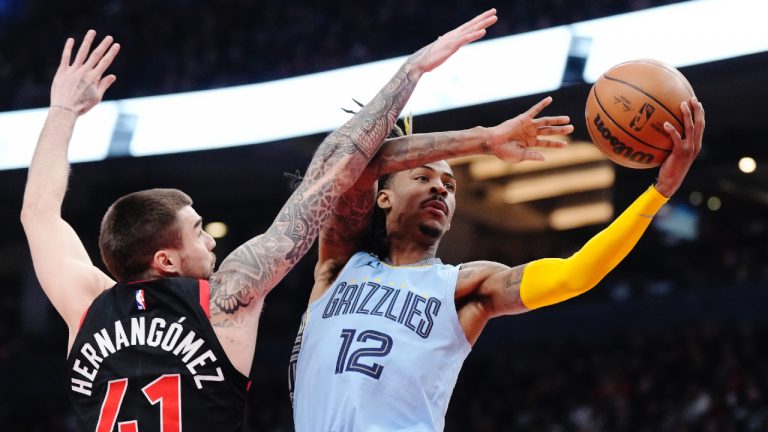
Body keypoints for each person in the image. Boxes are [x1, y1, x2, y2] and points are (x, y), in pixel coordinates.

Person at [20, 10, 498, 431]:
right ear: (165, 259)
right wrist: (413, 69)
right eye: (199, 231)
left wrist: (62, 110)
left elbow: (38, 213)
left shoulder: (85, 306)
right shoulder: (226, 299)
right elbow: (333, 166)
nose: (211, 243)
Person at [289, 93, 705, 430]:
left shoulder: (465, 286)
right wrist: (482, 139)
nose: (440, 189)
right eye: (423, 178)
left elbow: (574, 274)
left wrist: (660, 191)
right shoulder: (340, 265)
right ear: (384, 197)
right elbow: (356, 164)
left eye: (449, 186)